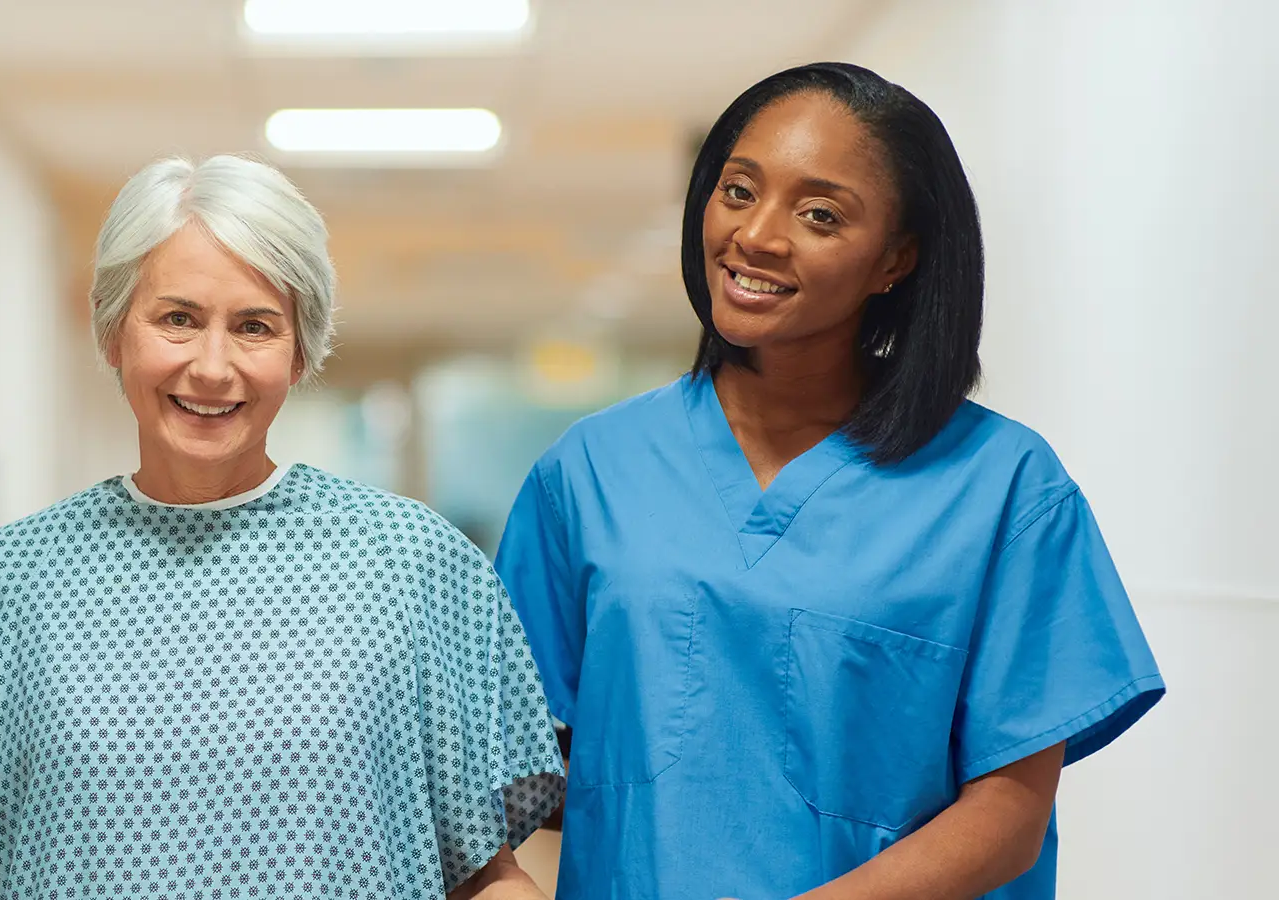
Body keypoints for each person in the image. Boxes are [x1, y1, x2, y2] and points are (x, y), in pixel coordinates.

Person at [0, 155, 565, 900]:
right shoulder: (20, 576)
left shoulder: (411, 563)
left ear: (302, 351)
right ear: (114, 332)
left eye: (255, 327)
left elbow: (485, 875)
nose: (211, 366)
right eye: (177, 318)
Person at [494, 62, 1163, 900]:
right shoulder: (588, 472)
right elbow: (518, 768)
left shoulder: (1003, 490)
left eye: (818, 214)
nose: (758, 235)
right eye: (738, 191)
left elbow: (1009, 814)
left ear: (897, 259)